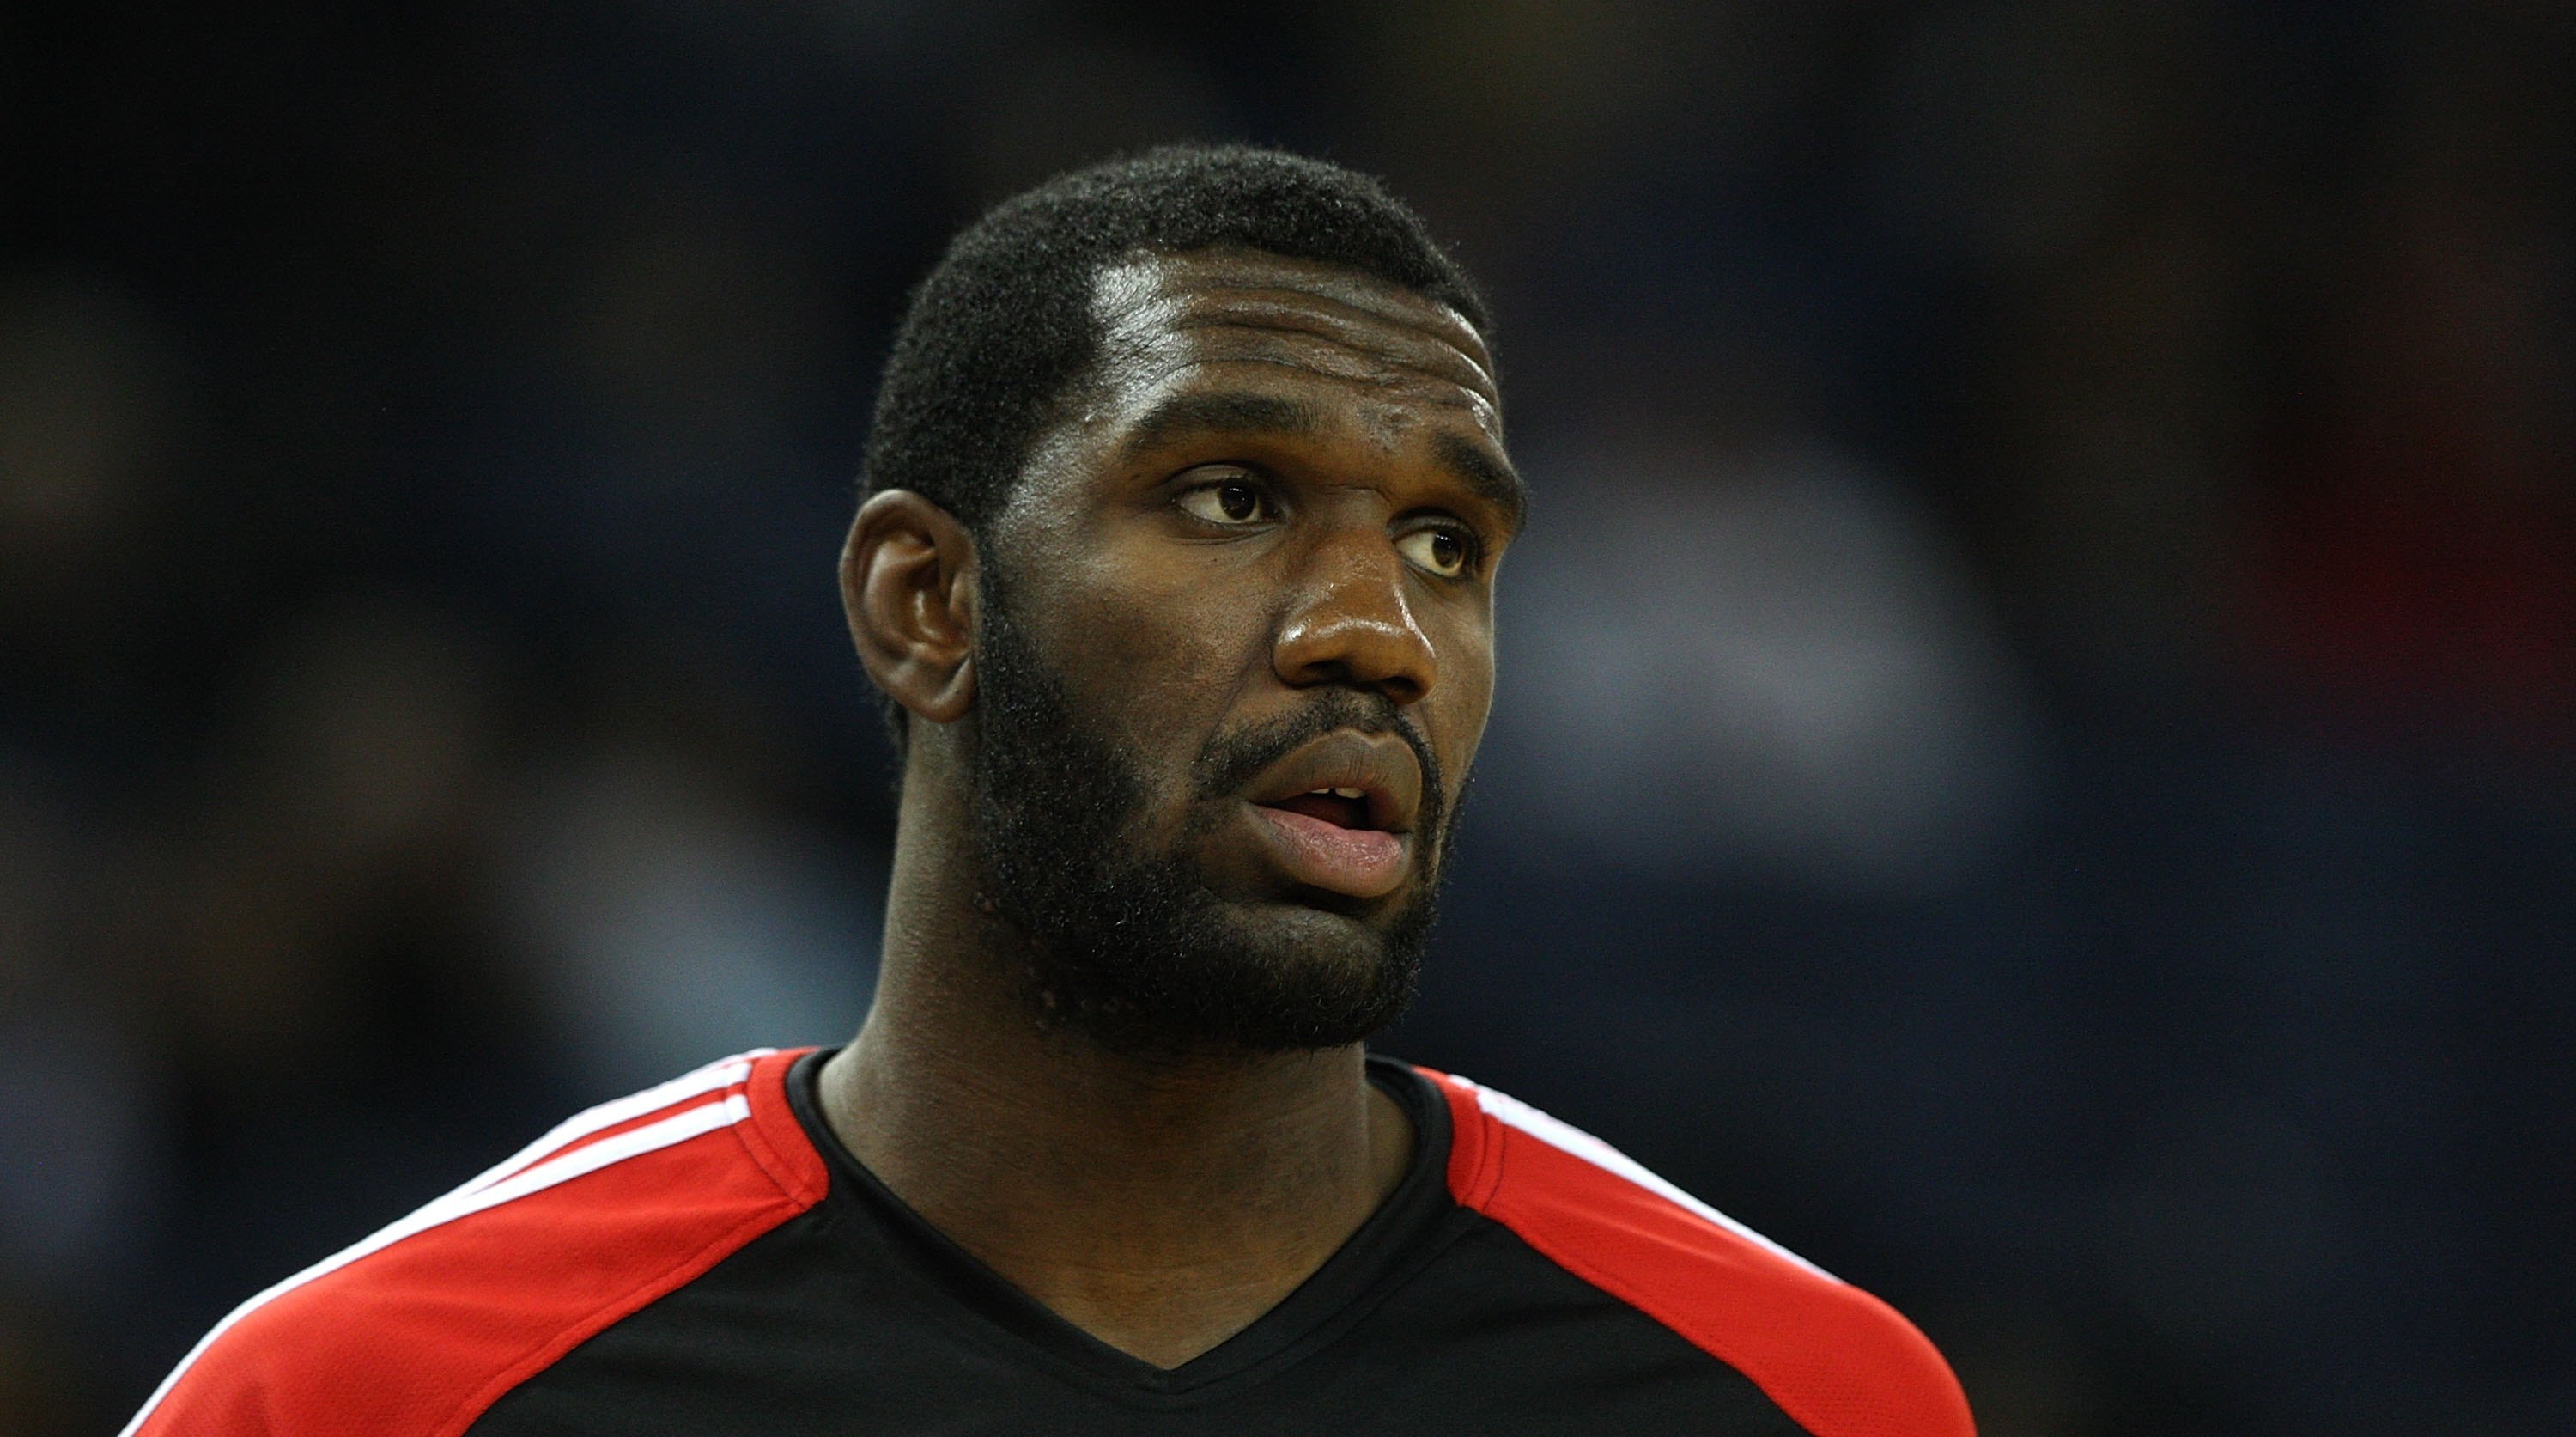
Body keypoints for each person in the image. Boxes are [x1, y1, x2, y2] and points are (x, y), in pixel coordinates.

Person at [123, 147, 1975, 1435]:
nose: (1379, 635)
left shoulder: (1795, 1394)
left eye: (1444, 541)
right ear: (928, 604)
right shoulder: (371, 1394)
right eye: (1233, 498)